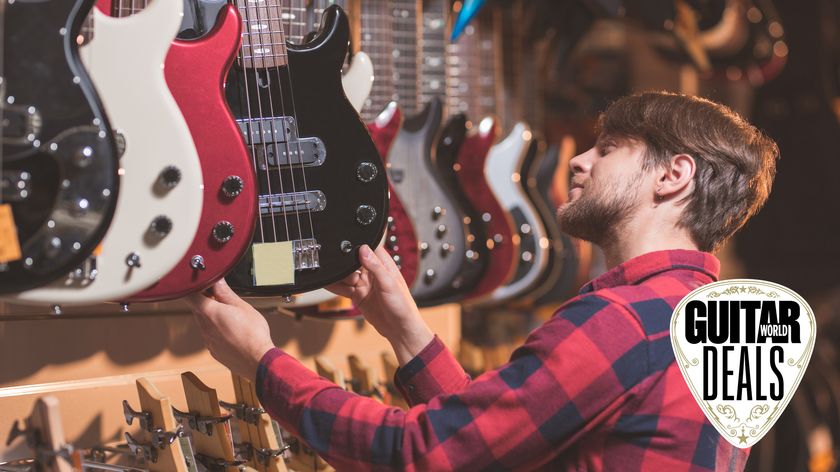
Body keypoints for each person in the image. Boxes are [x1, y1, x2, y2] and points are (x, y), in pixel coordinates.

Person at [185, 91, 779, 471]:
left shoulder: (625, 324)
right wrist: (408, 332)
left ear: (673, 176)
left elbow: (423, 455)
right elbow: (501, 445)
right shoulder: (717, 323)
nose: (580, 162)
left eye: (609, 149)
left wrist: (262, 363)